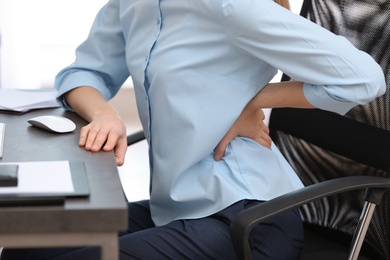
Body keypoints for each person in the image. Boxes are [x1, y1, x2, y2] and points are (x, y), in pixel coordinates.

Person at [2, 0, 386, 259]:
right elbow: (82, 73)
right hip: (174, 206)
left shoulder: (232, 6)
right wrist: (104, 114)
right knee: (27, 245)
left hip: (250, 219)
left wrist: (254, 100)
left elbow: (364, 78)